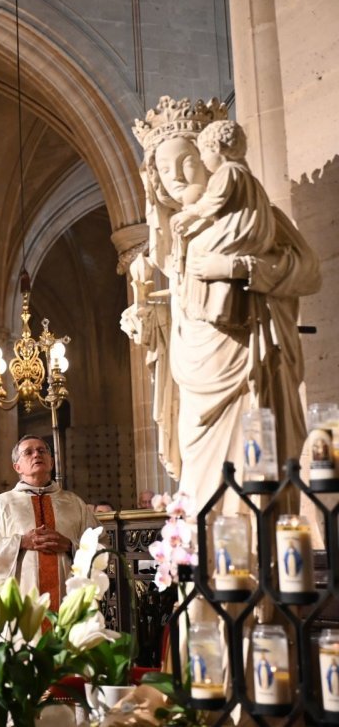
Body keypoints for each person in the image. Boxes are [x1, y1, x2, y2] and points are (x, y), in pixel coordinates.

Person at [122, 97, 320, 508]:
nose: (174, 177)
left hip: (245, 361)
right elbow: (184, 310)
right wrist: (146, 317)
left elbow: (307, 270)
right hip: (195, 376)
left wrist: (241, 267)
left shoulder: (248, 211)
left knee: (253, 476)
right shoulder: (176, 239)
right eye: (163, 168)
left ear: (209, 160)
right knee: (203, 479)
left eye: (186, 163)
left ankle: (259, 550)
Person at [0, 436, 98, 609]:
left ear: (51, 462)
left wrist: (70, 546)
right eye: (28, 452)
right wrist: (20, 542)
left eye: (42, 451)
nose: (36, 455)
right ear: (17, 466)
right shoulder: (1, 504)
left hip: (68, 601)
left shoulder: (73, 503)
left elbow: (101, 546)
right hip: (21, 601)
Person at [169, 119, 276, 331]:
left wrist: (189, 214)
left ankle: (198, 306)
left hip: (239, 231)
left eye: (203, 153)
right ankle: (220, 308)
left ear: (217, 148)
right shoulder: (247, 177)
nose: (202, 159)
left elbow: (212, 202)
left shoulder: (228, 171)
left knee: (196, 247)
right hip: (252, 231)